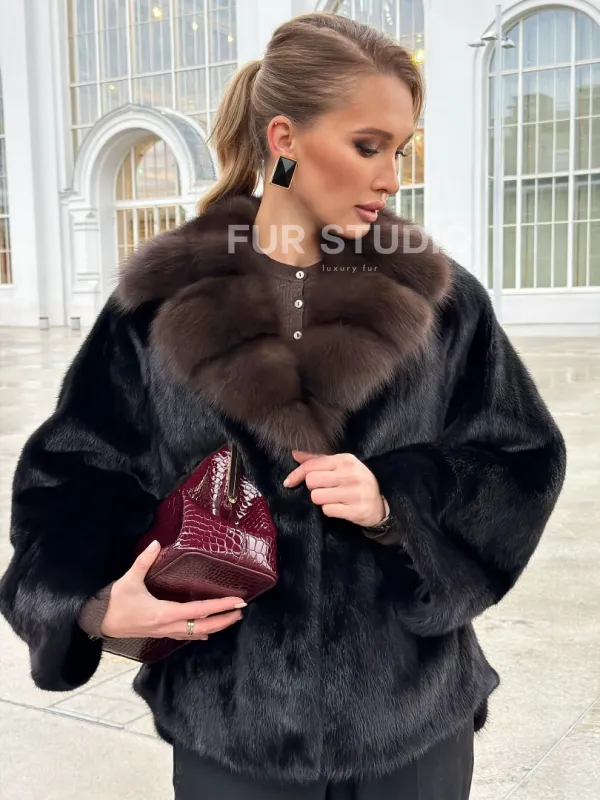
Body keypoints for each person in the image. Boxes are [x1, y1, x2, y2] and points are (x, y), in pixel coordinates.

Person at [0, 12, 565, 800]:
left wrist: (395, 499)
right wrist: (92, 607)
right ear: (285, 139)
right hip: (230, 726)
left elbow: (520, 459)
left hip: (409, 723)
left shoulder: (441, 302)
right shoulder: (155, 307)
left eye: (400, 150)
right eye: (367, 145)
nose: (391, 177)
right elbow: (72, 478)